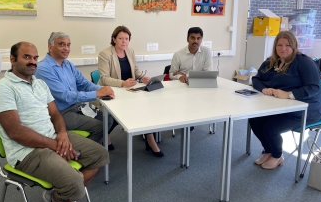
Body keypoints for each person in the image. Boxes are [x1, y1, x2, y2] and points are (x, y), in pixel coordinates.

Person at [0, 42, 109, 202]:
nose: (33, 61)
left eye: (35, 57)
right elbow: (15, 132)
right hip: (27, 153)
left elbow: (55, 114)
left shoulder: (39, 84)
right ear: (12, 59)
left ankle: (58, 197)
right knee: (74, 182)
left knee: (101, 155)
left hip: (52, 138)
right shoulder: (2, 89)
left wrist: (63, 135)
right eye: (27, 57)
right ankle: (66, 194)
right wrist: (56, 146)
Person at [250, 31, 321, 170]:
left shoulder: (304, 62)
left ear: (294, 46)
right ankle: (269, 151)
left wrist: (289, 94)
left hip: (306, 110)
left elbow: (314, 88)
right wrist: (264, 89)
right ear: (275, 46)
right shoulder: (271, 62)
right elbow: (256, 79)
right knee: (254, 120)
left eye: (287, 45)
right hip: (280, 107)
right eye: (280, 45)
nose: (283, 48)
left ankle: (278, 156)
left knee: (270, 127)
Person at [36, 32, 117, 150]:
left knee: (108, 119)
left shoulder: (67, 64)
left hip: (76, 107)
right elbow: (65, 96)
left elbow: (83, 83)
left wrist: (102, 89)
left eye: (68, 45)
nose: (66, 48)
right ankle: (77, 152)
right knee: (102, 126)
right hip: (60, 113)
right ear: (50, 47)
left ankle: (86, 149)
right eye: (62, 44)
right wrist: (97, 93)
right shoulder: (43, 68)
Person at [98, 26, 164, 157]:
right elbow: (104, 78)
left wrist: (142, 78)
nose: (124, 41)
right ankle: (106, 135)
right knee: (117, 115)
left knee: (146, 108)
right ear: (114, 39)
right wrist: (123, 83)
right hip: (113, 90)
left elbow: (136, 72)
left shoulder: (130, 51)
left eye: (126, 39)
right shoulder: (105, 54)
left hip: (130, 90)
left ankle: (150, 139)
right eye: (121, 38)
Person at [169, 27, 213, 131]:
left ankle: (194, 118)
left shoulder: (207, 52)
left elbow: (207, 73)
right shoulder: (178, 54)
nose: (195, 41)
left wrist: (185, 74)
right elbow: (171, 74)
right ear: (187, 39)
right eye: (193, 38)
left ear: (201, 40)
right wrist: (180, 76)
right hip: (182, 87)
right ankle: (186, 120)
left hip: (200, 86)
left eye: (198, 38)